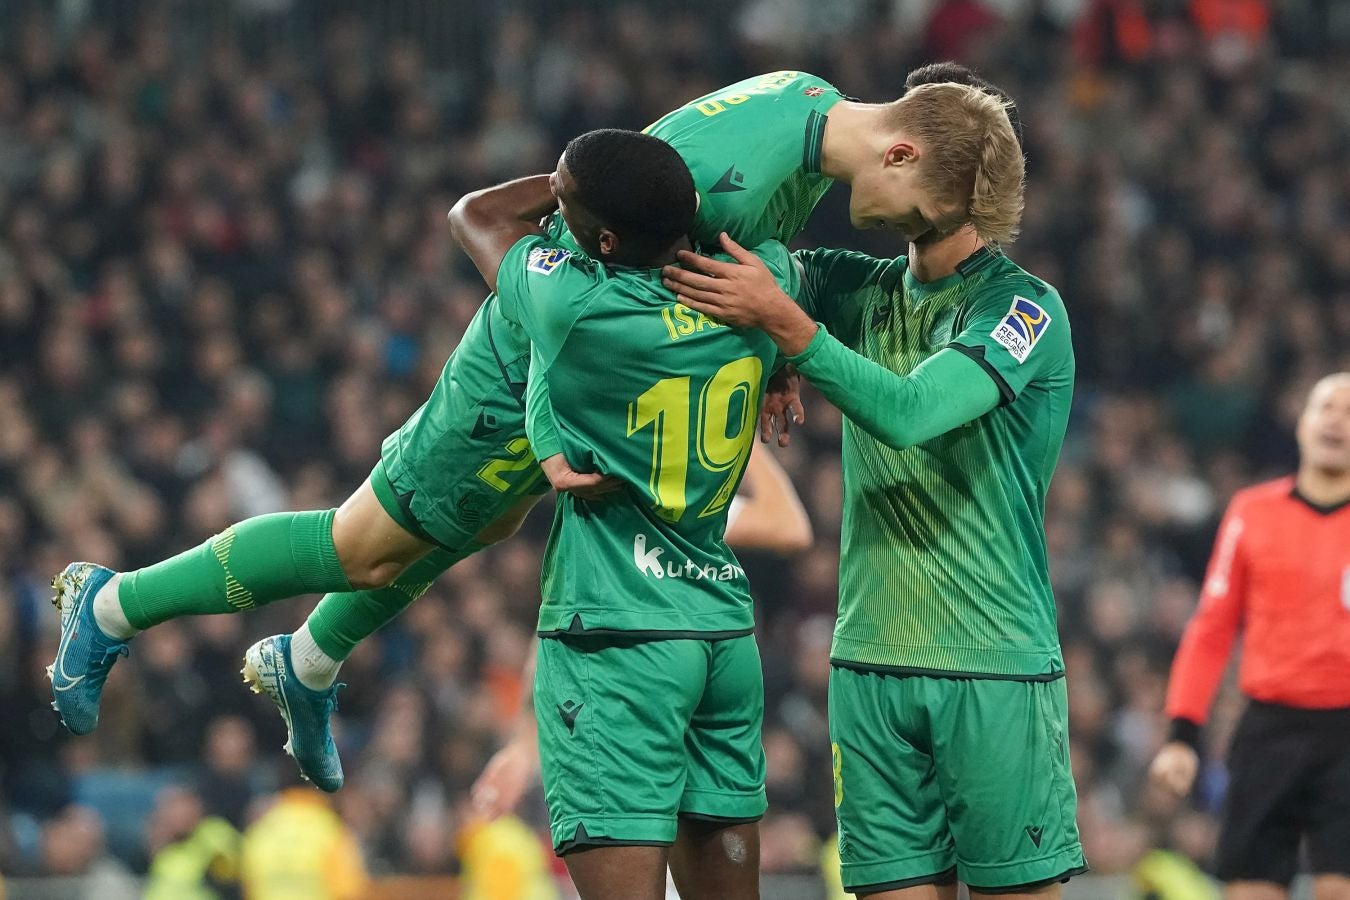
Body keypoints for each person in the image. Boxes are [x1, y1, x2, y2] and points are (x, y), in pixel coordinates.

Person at [48, 66, 1022, 792]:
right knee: (364, 547)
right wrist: (551, 414)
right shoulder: (722, 173)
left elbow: (724, 258)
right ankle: (114, 606)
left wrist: (765, 356)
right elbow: (549, 260)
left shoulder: (809, 106)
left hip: (599, 364)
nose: (907, 236)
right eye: (921, 216)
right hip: (533, 361)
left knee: (474, 531)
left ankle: (307, 664)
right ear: (903, 152)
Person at [662, 83, 1084, 898]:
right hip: (868, 666)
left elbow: (911, 411)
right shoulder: (860, 288)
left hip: (991, 663)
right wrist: (777, 350)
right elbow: (757, 268)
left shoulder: (1024, 309)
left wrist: (791, 334)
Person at [447, 127, 802, 899]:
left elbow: (474, 216)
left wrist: (571, 180)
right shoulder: (763, 284)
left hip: (618, 635)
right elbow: (766, 232)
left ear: (604, 237)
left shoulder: (580, 309)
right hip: (719, 632)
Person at [470, 445, 813, 821]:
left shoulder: (661, 511)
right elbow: (789, 525)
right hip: (641, 744)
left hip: (668, 740)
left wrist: (524, 743)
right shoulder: (674, 512)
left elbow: (789, 528)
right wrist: (743, 435)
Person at [1148, 373, 1350, 900]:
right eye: (1326, 407)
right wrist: (1181, 736)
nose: (1336, 420)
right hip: (1270, 729)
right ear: (1301, 423)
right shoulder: (1252, 512)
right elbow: (1212, 629)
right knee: (1250, 889)